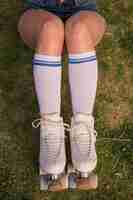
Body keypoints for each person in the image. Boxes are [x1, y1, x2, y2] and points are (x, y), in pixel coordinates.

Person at [17, 0, 106, 179]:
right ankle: (50, 128)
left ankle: (83, 126)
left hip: (83, 8)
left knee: (79, 29)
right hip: (39, 9)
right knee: (51, 29)